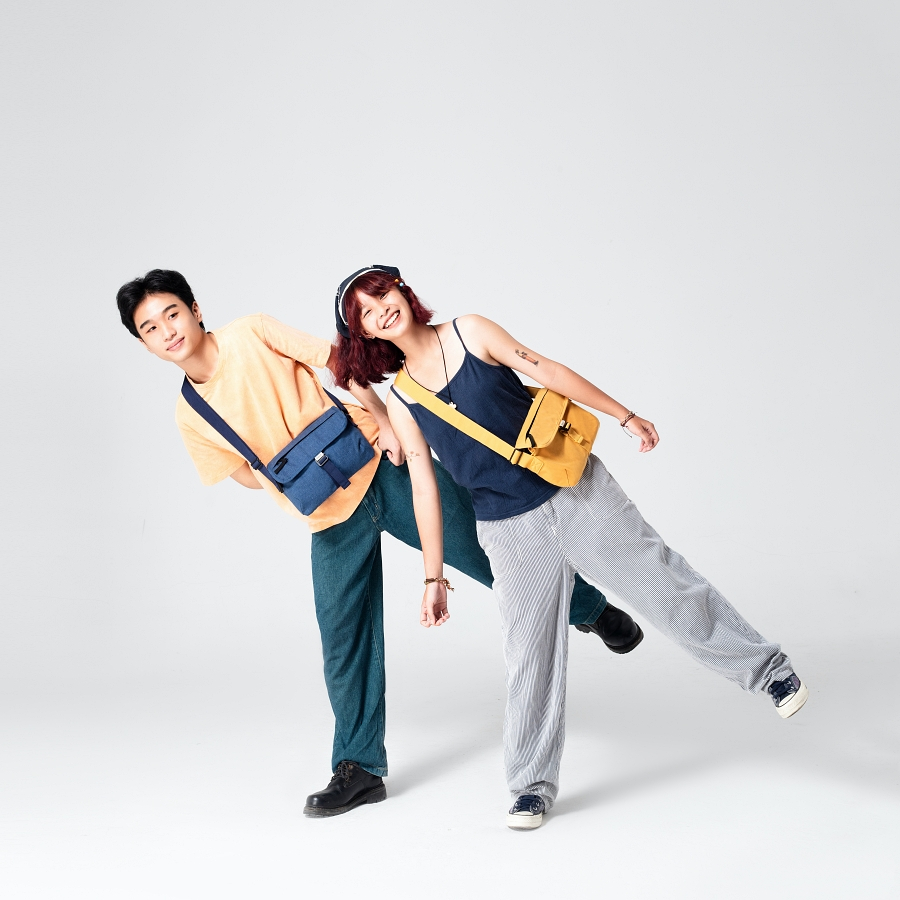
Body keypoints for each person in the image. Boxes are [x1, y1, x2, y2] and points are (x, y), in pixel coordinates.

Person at [115, 268, 644, 819]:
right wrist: (290, 475)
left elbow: (338, 364)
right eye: (150, 328)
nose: (167, 331)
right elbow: (242, 474)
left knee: (491, 558)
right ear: (144, 343)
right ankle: (360, 769)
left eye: (172, 314)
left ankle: (591, 610)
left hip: (382, 464)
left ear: (195, 310)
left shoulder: (251, 331)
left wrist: (385, 421)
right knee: (342, 634)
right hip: (327, 515)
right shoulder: (190, 414)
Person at [331, 264, 809, 831]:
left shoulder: (470, 331)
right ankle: (530, 787)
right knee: (529, 655)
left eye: (382, 294)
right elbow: (423, 488)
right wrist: (434, 578)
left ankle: (768, 670)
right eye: (366, 312)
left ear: (402, 291)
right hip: (508, 529)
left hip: (575, 489)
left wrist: (624, 415)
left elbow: (549, 371)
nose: (381, 310)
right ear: (364, 333)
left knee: (664, 584)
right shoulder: (404, 399)